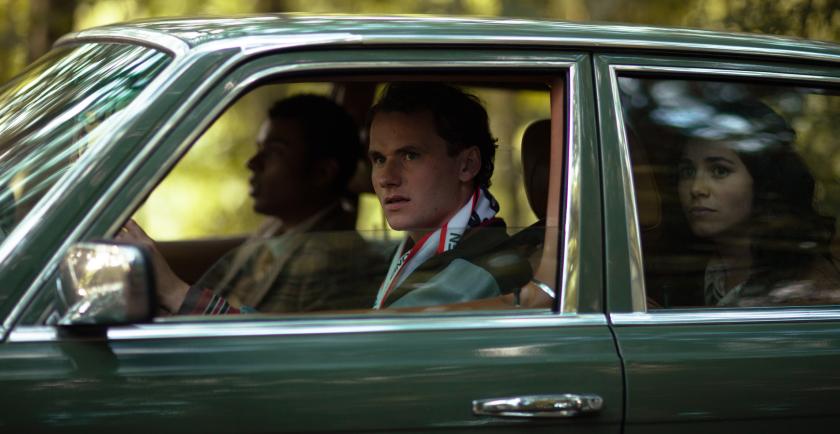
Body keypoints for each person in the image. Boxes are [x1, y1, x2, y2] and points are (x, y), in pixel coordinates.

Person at [121, 94, 384, 314]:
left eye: (274, 152)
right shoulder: (272, 233)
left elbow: (286, 352)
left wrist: (174, 292)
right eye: (260, 148)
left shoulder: (337, 260)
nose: (253, 163)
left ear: (322, 173)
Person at [366, 83, 532, 309]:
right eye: (379, 159)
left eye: (410, 156)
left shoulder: (484, 277)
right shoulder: (408, 255)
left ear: (467, 165)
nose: (386, 178)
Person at [672, 99, 840, 307]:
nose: (696, 188)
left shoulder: (806, 293)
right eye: (688, 171)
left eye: (720, 171)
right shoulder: (708, 268)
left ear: (763, 182)